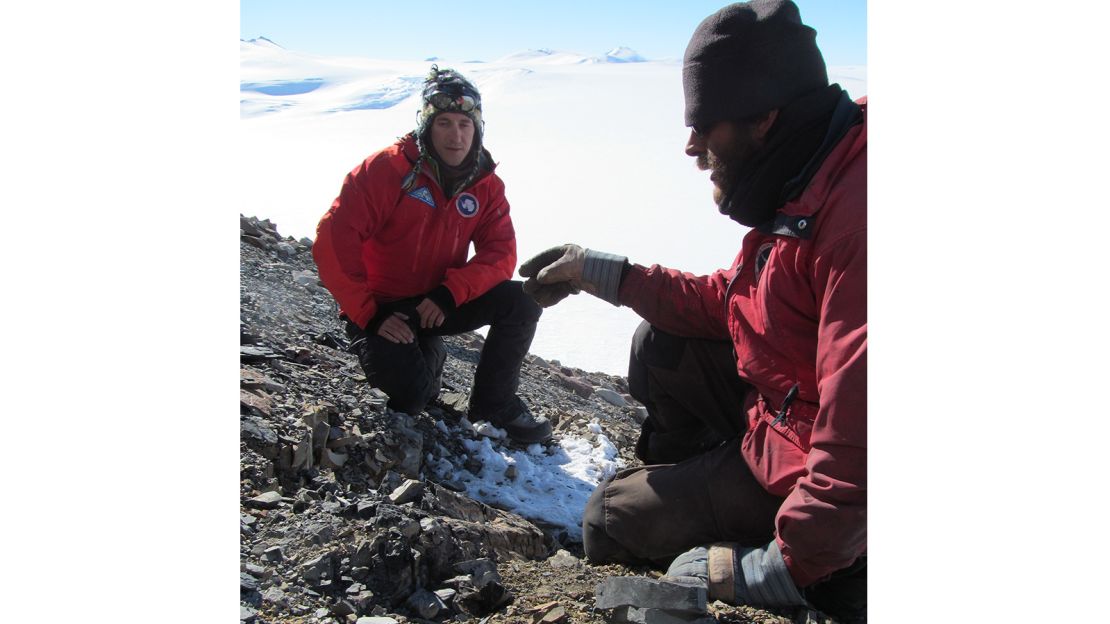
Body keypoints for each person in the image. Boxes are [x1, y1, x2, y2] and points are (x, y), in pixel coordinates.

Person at [518, 1, 866, 619]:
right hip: (789, 414)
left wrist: (778, 569)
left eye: (705, 124)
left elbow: (865, 437)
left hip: (830, 471)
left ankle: (836, 574)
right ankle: (711, 488)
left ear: (764, 117)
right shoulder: (810, 168)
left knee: (611, 520)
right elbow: (734, 303)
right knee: (662, 345)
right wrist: (602, 271)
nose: (690, 146)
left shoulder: (858, 222)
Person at [313, 65, 552, 444]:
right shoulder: (386, 169)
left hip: (435, 303)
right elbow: (333, 240)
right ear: (426, 125)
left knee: (521, 302)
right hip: (382, 309)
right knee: (413, 397)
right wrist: (368, 314)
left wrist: (450, 293)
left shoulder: (486, 185)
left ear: (477, 129)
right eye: (443, 123)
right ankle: (400, 351)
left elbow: (500, 253)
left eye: (464, 124)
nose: (455, 136)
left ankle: (495, 404)